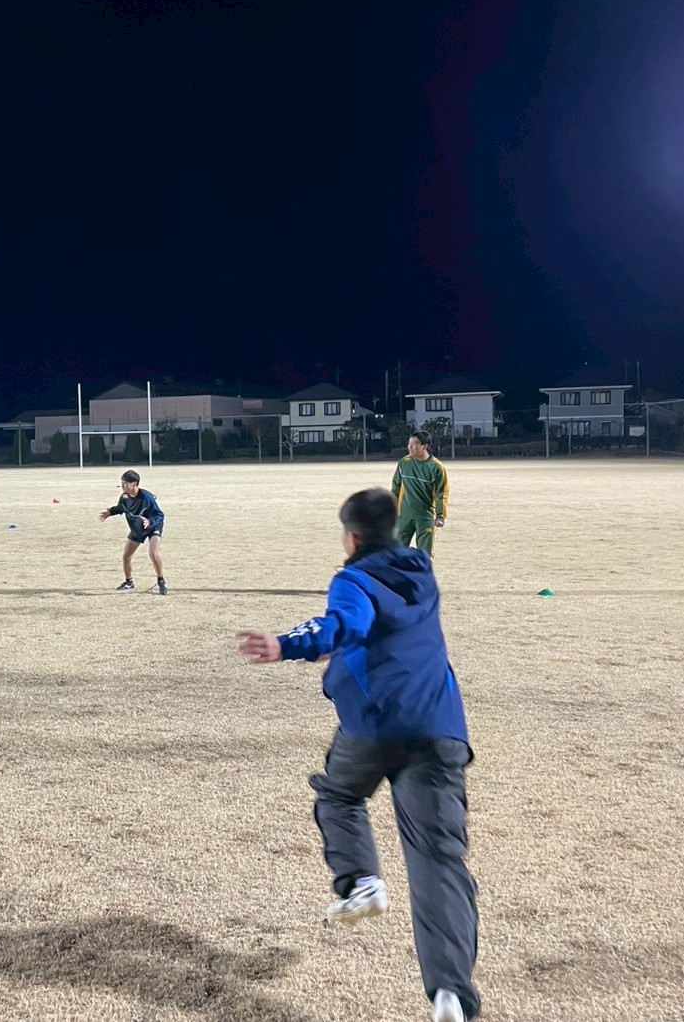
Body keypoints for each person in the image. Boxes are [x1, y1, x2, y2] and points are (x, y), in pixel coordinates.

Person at [235, 488, 479, 1022]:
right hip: (438, 729)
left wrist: (285, 644)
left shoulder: (352, 580)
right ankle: (450, 995)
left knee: (338, 796)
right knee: (438, 860)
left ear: (351, 538)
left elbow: (347, 622)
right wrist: (332, 642)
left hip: (373, 727)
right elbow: (374, 628)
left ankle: (362, 881)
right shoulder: (422, 572)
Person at [97, 469, 166, 595]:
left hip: (153, 526)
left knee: (154, 554)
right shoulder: (124, 497)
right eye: (121, 483)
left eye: (125, 483)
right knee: (126, 556)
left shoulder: (146, 496)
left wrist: (150, 522)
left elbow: (159, 515)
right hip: (137, 528)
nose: (122, 486)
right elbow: (121, 508)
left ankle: (161, 580)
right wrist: (110, 512)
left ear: (134, 484)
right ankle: (129, 582)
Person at [391, 431, 449, 555]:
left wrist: (440, 516)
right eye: (409, 444)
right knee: (397, 552)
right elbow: (395, 488)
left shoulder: (436, 467)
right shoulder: (404, 462)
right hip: (404, 515)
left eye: (414, 444)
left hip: (425, 516)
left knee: (425, 554)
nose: (410, 447)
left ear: (425, 446)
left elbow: (441, 493)